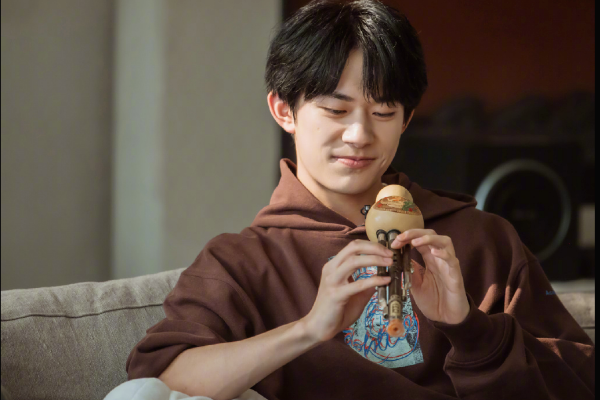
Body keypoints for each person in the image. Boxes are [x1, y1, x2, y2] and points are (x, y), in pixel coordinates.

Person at [126, 1, 595, 399]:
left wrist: (470, 328)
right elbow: (159, 381)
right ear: (284, 110)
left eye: (383, 112)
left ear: (406, 119)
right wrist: (310, 328)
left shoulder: (483, 240)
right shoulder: (242, 263)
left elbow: (579, 381)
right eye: (336, 109)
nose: (359, 134)